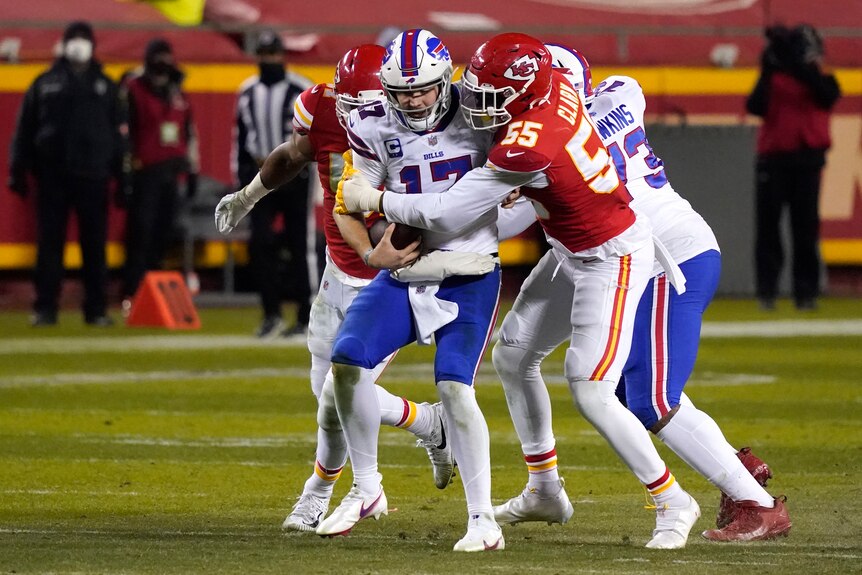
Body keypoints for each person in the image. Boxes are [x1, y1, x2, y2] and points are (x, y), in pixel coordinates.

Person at [340, 33, 701, 549]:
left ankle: (672, 500)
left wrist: (372, 196)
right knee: (513, 354)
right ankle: (544, 487)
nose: (481, 106)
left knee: (592, 389)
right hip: (567, 247)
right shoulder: (551, 86)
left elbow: (444, 211)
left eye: (493, 97)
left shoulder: (530, 139)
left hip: (611, 254)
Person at [541, 43, 791, 542]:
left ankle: (760, 507)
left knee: (652, 399)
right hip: (657, 254)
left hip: (667, 260)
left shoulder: (558, 143)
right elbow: (625, 90)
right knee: (620, 392)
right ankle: (739, 468)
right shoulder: (617, 95)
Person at [215, 44, 456, 532]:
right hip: (339, 270)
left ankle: (320, 492)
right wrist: (249, 195)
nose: (355, 116)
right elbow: (297, 154)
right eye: (348, 104)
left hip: (395, 280)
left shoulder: (428, 125)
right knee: (327, 391)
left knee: (335, 393)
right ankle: (428, 423)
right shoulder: (326, 104)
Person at [319, 29, 504, 552]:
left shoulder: (481, 113)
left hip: (469, 267)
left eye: (422, 89)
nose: (412, 100)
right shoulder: (371, 123)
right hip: (408, 266)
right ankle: (366, 488)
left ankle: (483, 518)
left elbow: (522, 185)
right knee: (347, 361)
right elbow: (349, 199)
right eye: (402, 92)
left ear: (445, 80)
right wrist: (370, 253)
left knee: (455, 385)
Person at [8, 21, 127, 327]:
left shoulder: (106, 85)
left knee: (94, 247)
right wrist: (18, 170)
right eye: (74, 38)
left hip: (93, 175)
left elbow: (119, 137)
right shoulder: (45, 82)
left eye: (83, 38)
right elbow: (25, 129)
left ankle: (96, 309)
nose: (78, 44)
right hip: (53, 175)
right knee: (49, 245)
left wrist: (123, 176)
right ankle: (45, 307)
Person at [747, 24, 841, 311]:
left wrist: (800, 67)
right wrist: (769, 70)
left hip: (806, 161)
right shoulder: (774, 80)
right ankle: (767, 292)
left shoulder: (821, 81)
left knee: (805, 230)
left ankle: (806, 292)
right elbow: (756, 105)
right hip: (774, 161)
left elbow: (826, 94)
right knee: (769, 230)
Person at [234, 30, 316, 338]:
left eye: (273, 54)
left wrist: (315, 174)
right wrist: (240, 181)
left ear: (282, 54)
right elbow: (240, 139)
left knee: (299, 245)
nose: (269, 60)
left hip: (295, 174)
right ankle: (271, 314)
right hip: (261, 175)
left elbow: (315, 136)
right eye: (264, 54)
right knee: (261, 244)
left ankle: (306, 315)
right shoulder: (247, 90)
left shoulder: (301, 88)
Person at [121, 38, 199, 304]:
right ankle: (133, 291)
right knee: (140, 234)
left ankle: (152, 294)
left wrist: (192, 170)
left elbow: (189, 133)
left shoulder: (177, 92)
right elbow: (126, 133)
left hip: (171, 172)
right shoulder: (134, 88)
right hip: (145, 172)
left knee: (162, 234)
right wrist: (126, 172)